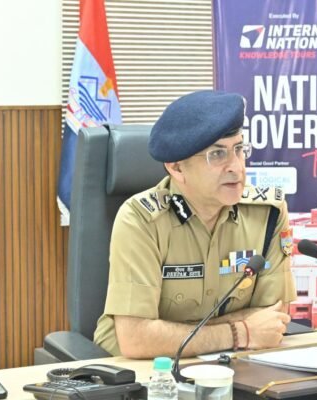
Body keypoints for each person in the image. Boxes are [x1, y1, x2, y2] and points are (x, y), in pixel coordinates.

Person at [93, 90, 296, 359]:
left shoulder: (268, 214)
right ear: (177, 168)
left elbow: (273, 319)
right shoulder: (140, 220)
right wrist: (240, 332)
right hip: (143, 370)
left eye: (239, 149)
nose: (236, 167)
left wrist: (171, 334)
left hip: (234, 364)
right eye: (217, 154)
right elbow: (136, 339)